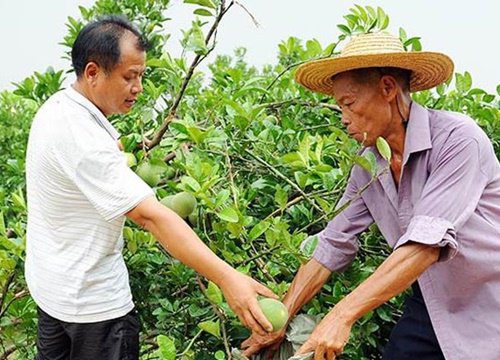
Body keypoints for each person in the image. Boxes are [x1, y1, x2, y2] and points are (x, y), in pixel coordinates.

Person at [25, 15, 277, 360]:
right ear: (93, 73)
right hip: (94, 310)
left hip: (54, 295)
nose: (138, 87)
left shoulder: (58, 108)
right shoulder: (80, 134)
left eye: (141, 75)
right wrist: (227, 278)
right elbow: (151, 217)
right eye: (129, 77)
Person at [241, 31, 500, 360]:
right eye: (339, 107)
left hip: (489, 296)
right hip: (434, 299)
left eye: (348, 104)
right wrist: (281, 317)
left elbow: (424, 247)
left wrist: (341, 316)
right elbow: (333, 243)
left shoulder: (459, 140)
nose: (343, 118)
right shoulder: (368, 164)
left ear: (388, 89)